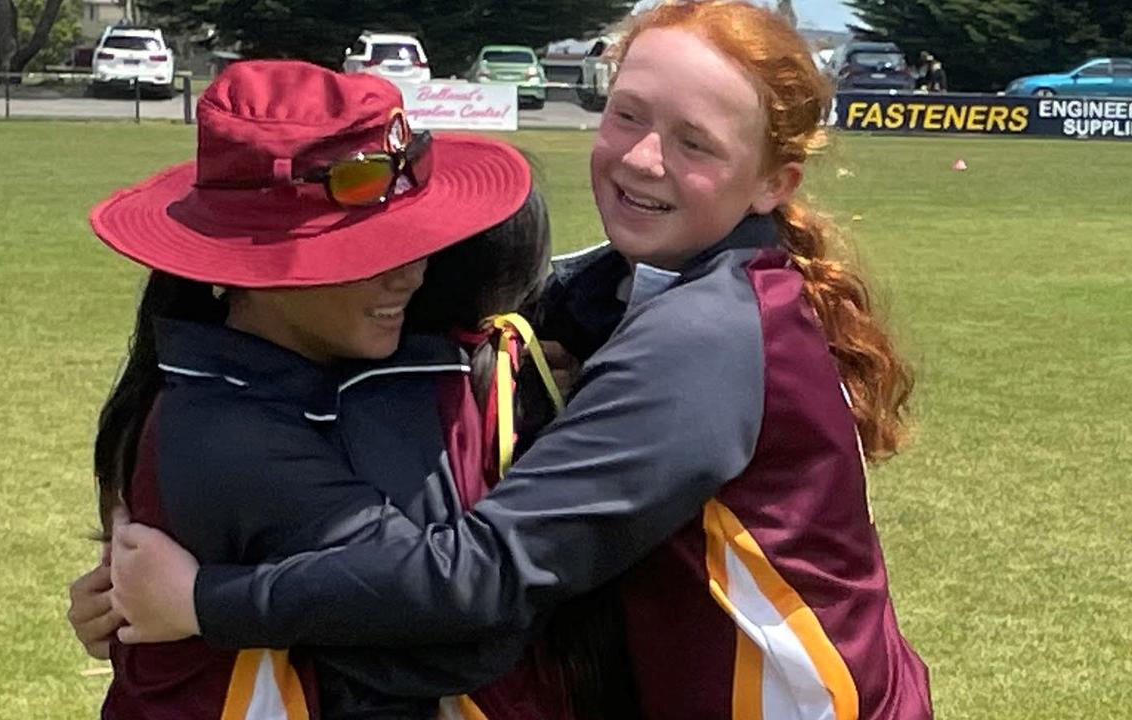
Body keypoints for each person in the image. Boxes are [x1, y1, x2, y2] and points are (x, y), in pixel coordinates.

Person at [101, 3, 938, 718]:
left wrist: (202, 602)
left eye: (696, 143)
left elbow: (481, 584)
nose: (643, 157)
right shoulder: (623, 288)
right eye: (628, 116)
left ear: (772, 183)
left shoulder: (700, 339)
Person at [79, 58, 554, 719]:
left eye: (416, 242)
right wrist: (204, 601)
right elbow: (460, 627)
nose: (411, 273)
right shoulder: (225, 435)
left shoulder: (306, 365)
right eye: (367, 254)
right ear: (253, 268)